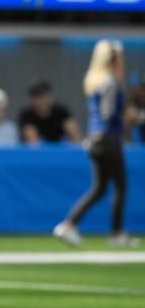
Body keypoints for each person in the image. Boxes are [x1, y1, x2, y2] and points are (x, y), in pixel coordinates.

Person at [54, 40, 139, 248]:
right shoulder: (110, 83)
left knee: (100, 188)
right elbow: (109, 114)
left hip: (96, 140)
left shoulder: (96, 82)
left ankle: (69, 224)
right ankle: (116, 233)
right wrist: (130, 117)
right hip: (109, 140)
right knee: (120, 186)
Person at [18, 80, 82, 144]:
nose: (42, 101)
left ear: (50, 96)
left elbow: (76, 136)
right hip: (40, 152)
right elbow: (33, 143)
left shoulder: (61, 112)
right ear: (32, 99)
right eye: (38, 97)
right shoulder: (26, 115)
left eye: (45, 96)